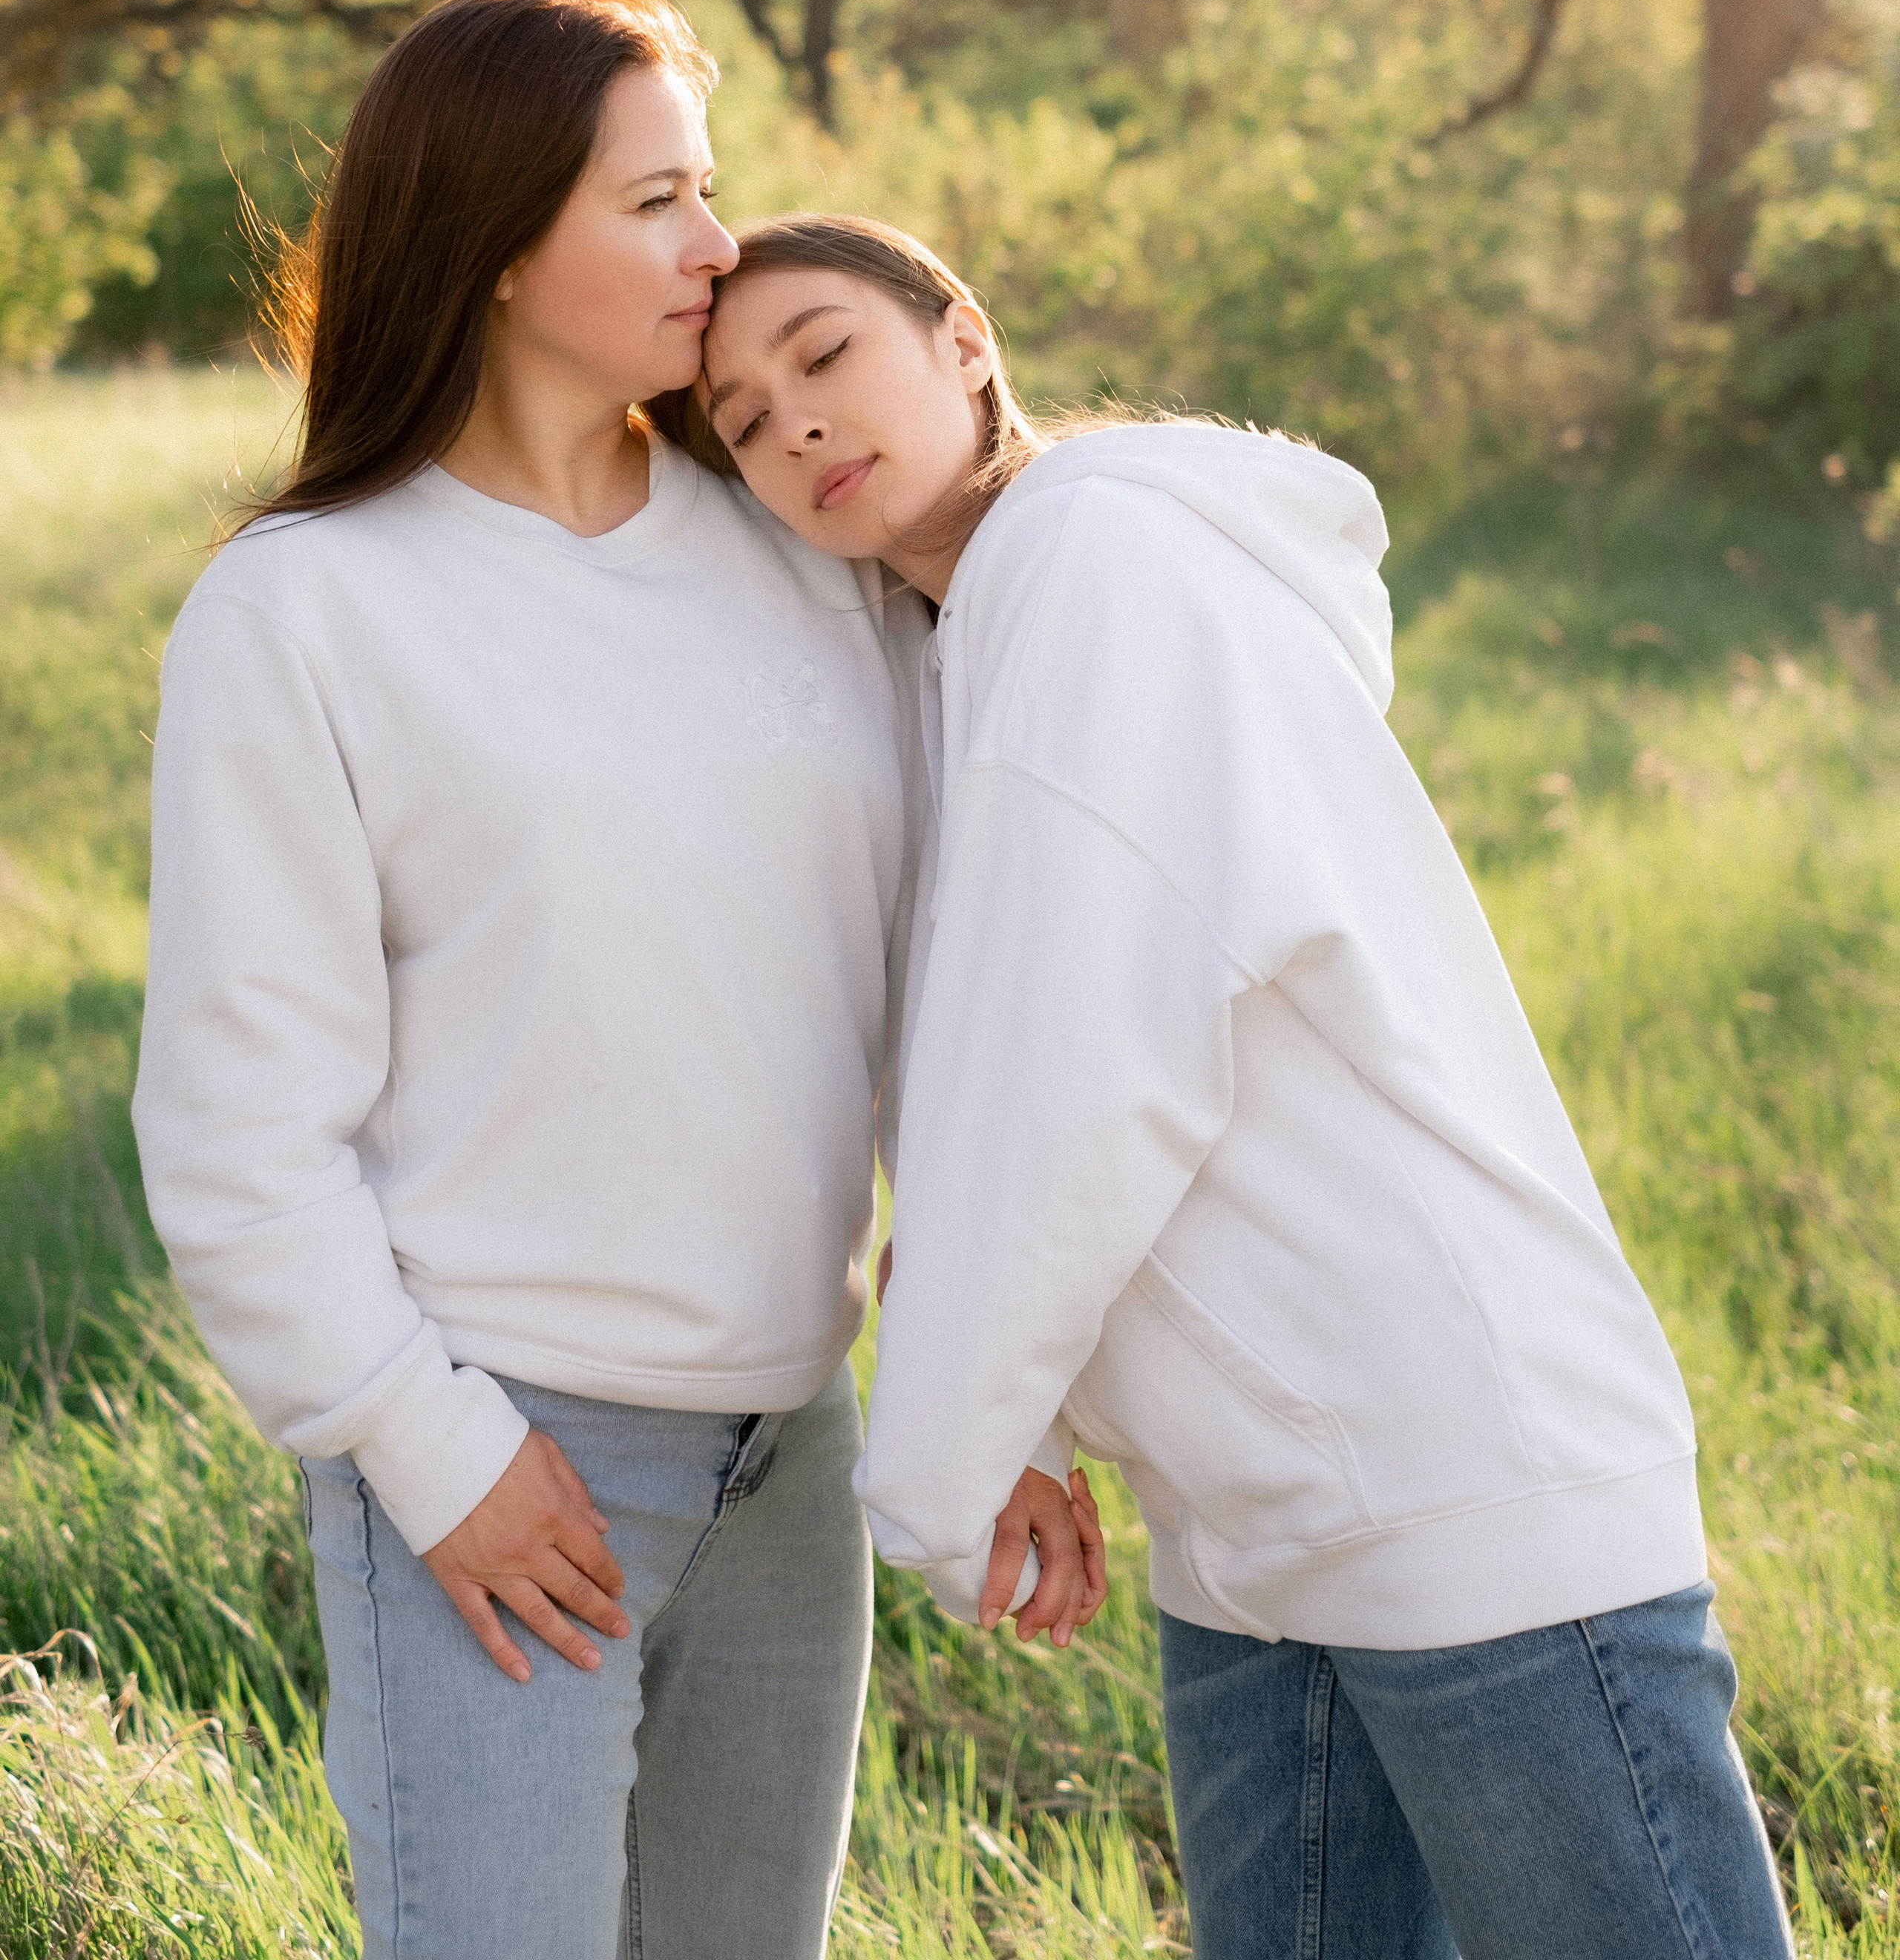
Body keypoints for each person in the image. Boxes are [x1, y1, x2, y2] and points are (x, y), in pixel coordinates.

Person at [673, 209, 1796, 1960]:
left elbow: (1077, 1056)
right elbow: (983, 1034)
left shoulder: (1098, 564)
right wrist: (1029, 1415)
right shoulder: (962, 644)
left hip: (1460, 1486)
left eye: (822, 355)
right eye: (740, 421)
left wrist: (942, 1462)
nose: (792, 424)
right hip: (1254, 1530)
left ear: (961, 335)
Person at [132, 0, 1096, 1960]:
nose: (718, 250)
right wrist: (431, 1452)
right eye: (656, 201)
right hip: (501, 1468)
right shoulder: (311, 608)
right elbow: (240, 1123)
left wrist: (1012, 1374)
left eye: (709, 192)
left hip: (793, 1459)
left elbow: (955, 1000)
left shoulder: (798, 548)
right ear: (500, 244)